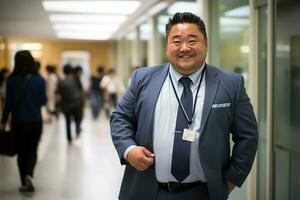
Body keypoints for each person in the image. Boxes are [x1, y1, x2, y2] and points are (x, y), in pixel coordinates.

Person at [110, 12, 258, 200]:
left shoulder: (230, 84)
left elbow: (248, 136)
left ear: (206, 43)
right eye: (177, 41)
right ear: (167, 46)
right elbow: (120, 117)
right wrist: (128, 149)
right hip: (146, 189)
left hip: (204, 193)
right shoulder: (143, 78)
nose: (185, 48)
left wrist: (231, 179)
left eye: (192, 40)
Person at [0, 50, 47, 193]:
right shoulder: (39, 80)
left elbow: (8, 104)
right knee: (32, 150)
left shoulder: (11, 80)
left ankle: (23, 181)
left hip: (18, 122)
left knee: (21, 153)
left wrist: (3, 122)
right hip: (35, 122)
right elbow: (43, 101)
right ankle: (29, 176)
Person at [56, 64, 84, 143]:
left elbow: (58, 93)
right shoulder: (76, 79)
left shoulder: (61, 81)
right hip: (77, 104)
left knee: (67, 121)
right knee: (77, 119)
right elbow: (81, 91)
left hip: (66, 105)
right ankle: (77, 132)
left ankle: (69, 138)